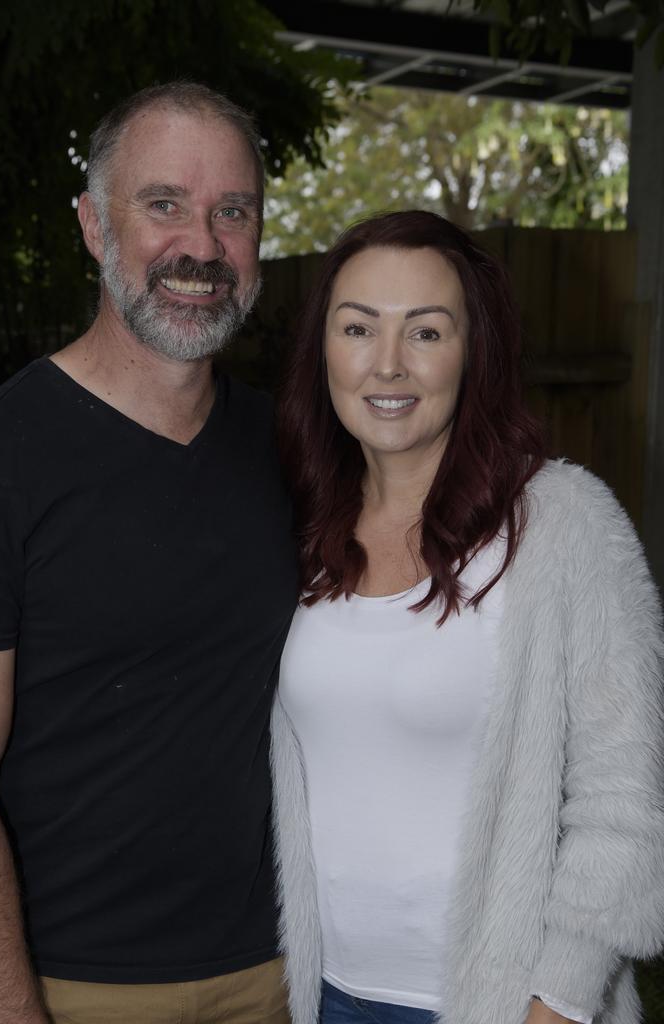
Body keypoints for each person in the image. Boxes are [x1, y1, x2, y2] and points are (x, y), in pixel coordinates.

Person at [0, 82, 298, 1024]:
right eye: (163, 204)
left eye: (231, 212)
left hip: (288, 970)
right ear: (91, 225)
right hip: (80, 989)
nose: (201, 247)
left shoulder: (293, 452)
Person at [271, 210, 664, 1024]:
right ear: (323, 352)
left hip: (506, 1005)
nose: (387, 363)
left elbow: (629, 804)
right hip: (327, 995)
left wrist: (554, 1000)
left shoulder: (561, 525)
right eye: (357, 328)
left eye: (426, 332)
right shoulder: (302, 531)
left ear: (473, 353)